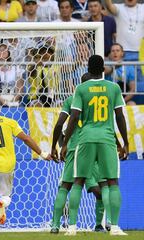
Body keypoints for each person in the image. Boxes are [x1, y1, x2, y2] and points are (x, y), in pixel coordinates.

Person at [60, 55, 129, 236]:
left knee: (78, 181)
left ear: (88, 69)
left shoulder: (81, 88)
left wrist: (65, 143)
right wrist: (125, 144)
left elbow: (74, 117)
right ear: (103, 68)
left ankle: (72, 227)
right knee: (112, 182)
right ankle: (113, 227)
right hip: (107, 138)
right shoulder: (113, 88)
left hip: (86, 139)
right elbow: (120, 116)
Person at [0, 97, 52, 232]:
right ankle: (2, 203)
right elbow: (26, 138)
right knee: (6, 196)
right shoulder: (10, 122)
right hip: (7, 165)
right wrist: (42, 153)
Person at [50, 72, 112, 234]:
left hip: (75, 148)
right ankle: (104, 224)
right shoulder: (102, 98)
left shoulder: (71, 100)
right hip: (97, 145)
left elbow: (59, 126)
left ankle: (57, 225)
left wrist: (55, 148)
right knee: (102, 187)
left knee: (66, 186)